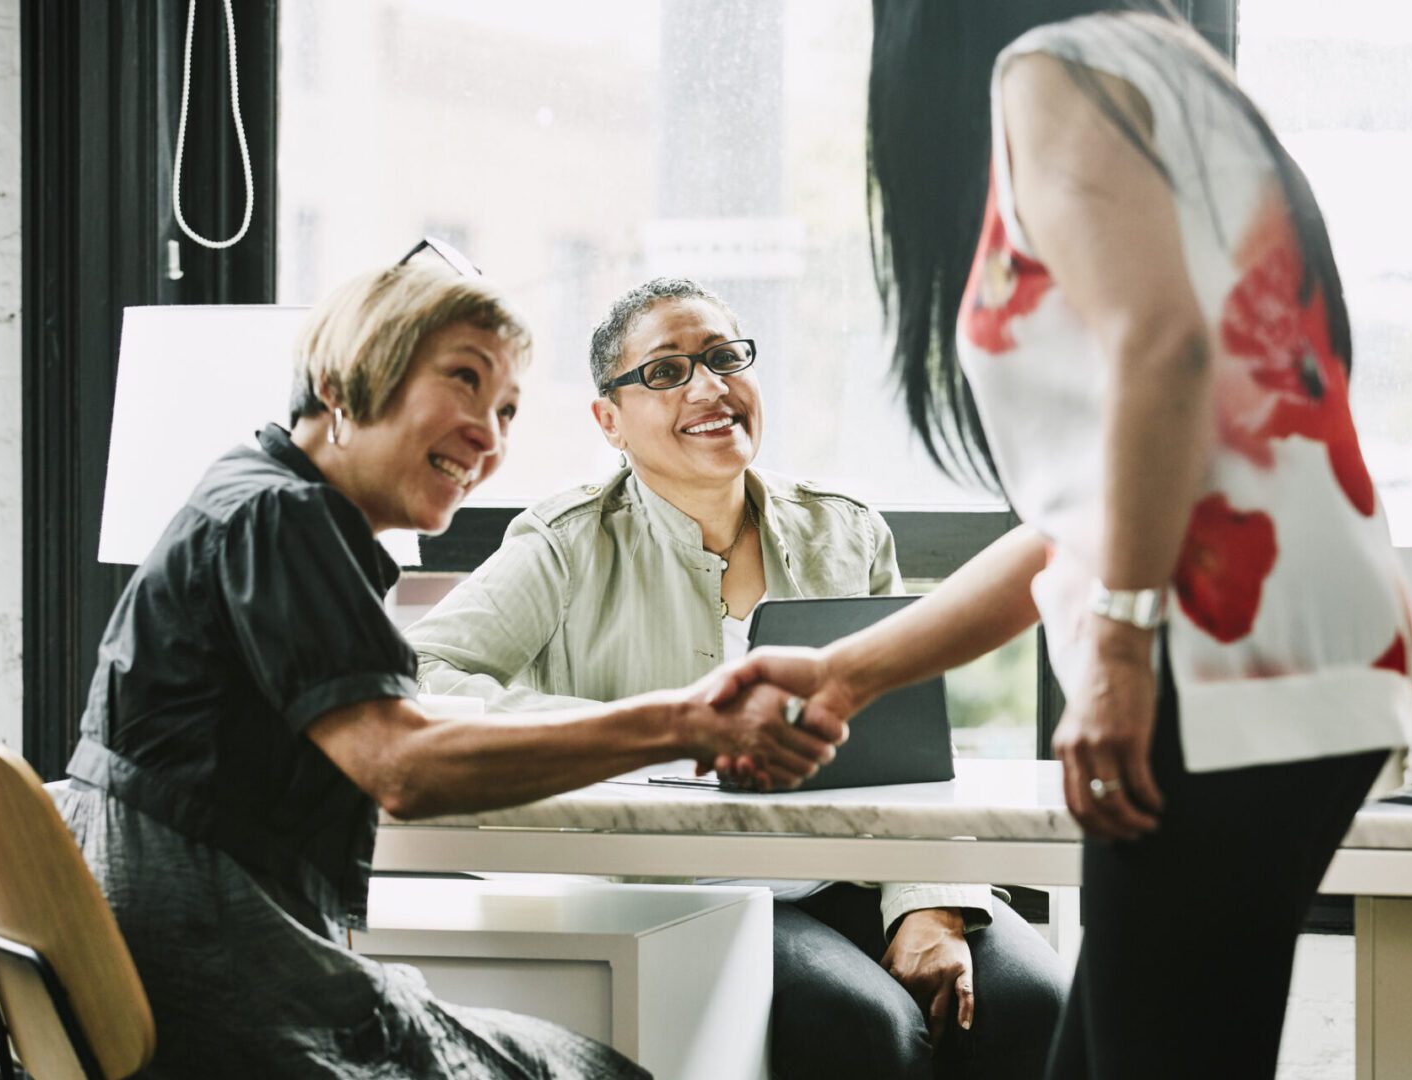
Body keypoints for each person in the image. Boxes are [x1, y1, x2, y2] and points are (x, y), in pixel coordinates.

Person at [716, 4, 1412, 1078]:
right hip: (1300, 647)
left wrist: (1125, 652)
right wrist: (848, 674)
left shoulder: (1052, 70)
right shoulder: (1166, 70)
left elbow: (1164, 342)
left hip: (1212, 656)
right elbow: (1075, 527)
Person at [52, 255, 843, 1079]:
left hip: (189, 954)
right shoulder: (281, 519)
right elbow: (402, 766)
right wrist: (679, 723)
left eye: (505, 410)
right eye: (463, 383)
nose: (490, 435)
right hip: (221, 973)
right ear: (343, 380)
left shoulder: (260, 498)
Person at [406, 277, 1066, 1080]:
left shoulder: (844, 529)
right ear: (608, 420)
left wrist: (929, 904)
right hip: (688, 886)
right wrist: (641, 734)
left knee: (1035, 1005)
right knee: (865, 1026)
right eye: (665, 371)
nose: (709, 387)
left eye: (724, 357)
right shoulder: (566, 541)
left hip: (852, 866)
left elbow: (908, 748)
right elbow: (425, 672)